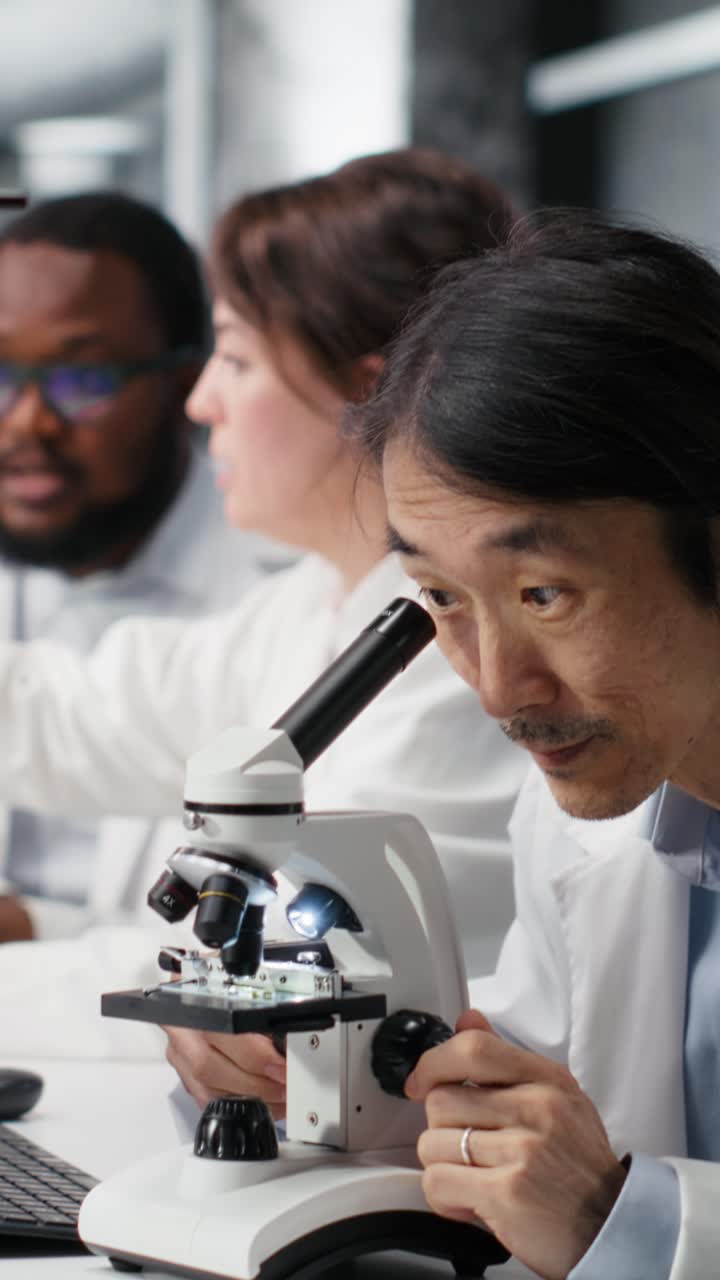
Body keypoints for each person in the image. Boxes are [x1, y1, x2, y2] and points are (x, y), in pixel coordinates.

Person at [0, 149, 528, 1063]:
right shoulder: (314, 608)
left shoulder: (471, 658)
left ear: (372, 393)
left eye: (235, 358)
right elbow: (71, 716)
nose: (200, 401)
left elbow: (286, 969)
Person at [350, 209, 720, 1279]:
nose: (499, 687)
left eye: (545, 592)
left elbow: (595, 1199)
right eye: (440, 598)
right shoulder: (594, 811)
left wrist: (630, 1222)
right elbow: (530, 1109)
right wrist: (304, 1085)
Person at [0, 191, 277, 948]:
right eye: (0, 373)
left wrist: (31, 931)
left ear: (189, 382)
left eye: (83, 381)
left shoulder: (279, 593)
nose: (27, 421)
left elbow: (272, 941)